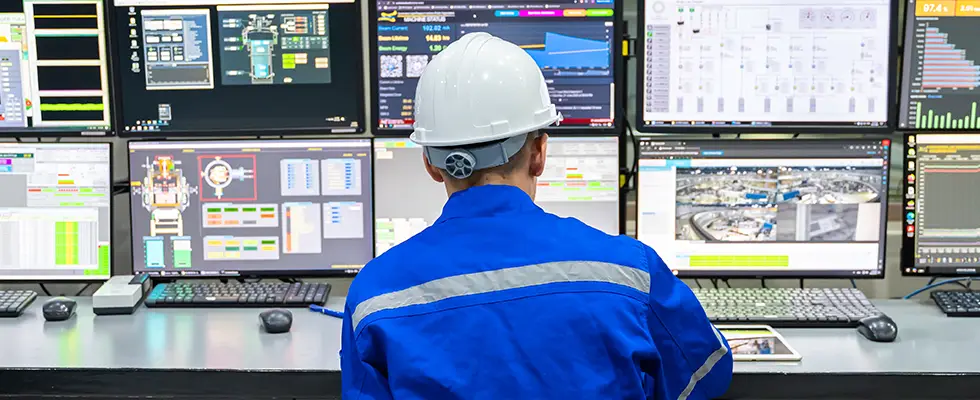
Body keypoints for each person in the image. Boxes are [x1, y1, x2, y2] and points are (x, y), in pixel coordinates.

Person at [341, 32, 732, 399]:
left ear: (429, 163)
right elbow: (708, 374)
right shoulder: (630, 270)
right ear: (540, 153)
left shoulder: (374, 296)